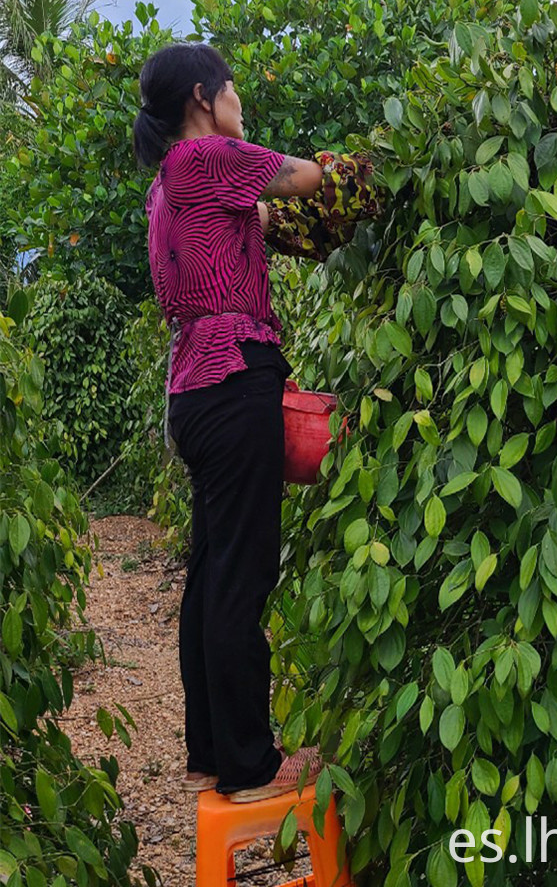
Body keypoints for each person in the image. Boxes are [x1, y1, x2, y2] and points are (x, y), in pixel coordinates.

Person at [133, 42, 336, 803]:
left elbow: (251, 219)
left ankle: (214, 752)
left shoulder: (165, 185)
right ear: (201, 96)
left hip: (193, 388)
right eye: (234, 93)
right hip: (233, 375)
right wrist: (364, 163)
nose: (240, 107)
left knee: (213, 573)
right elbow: (308, 180)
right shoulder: (210, 157)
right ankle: (251, 765)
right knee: (242, 579)